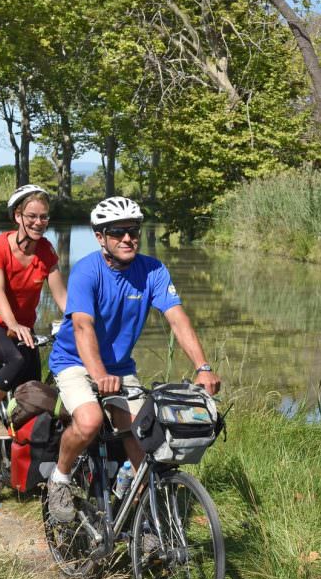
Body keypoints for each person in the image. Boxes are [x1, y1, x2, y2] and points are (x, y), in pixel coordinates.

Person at [45, 196, 221, 522]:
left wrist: (203, 367)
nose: (128, 238)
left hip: (120, 368)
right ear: (101, 237)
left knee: (148, 440)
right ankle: (60, 478)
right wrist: (98, 375)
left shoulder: (153, 270)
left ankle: (145, 521)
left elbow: (178, 319)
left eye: (133, 230)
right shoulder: (87, 270)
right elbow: (83, 327)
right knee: (89, 421)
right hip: (75, 361)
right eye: (117, 232)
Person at [0, 184, 67, 439]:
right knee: (16, 360)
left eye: (43, 216)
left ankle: (22, 448)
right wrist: (13, 324)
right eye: (31, 216)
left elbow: (62, 296)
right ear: (17, 216)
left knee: (31, 388)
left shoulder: (46, 250)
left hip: (22, 328)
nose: (38, 222)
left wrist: (82, 321)